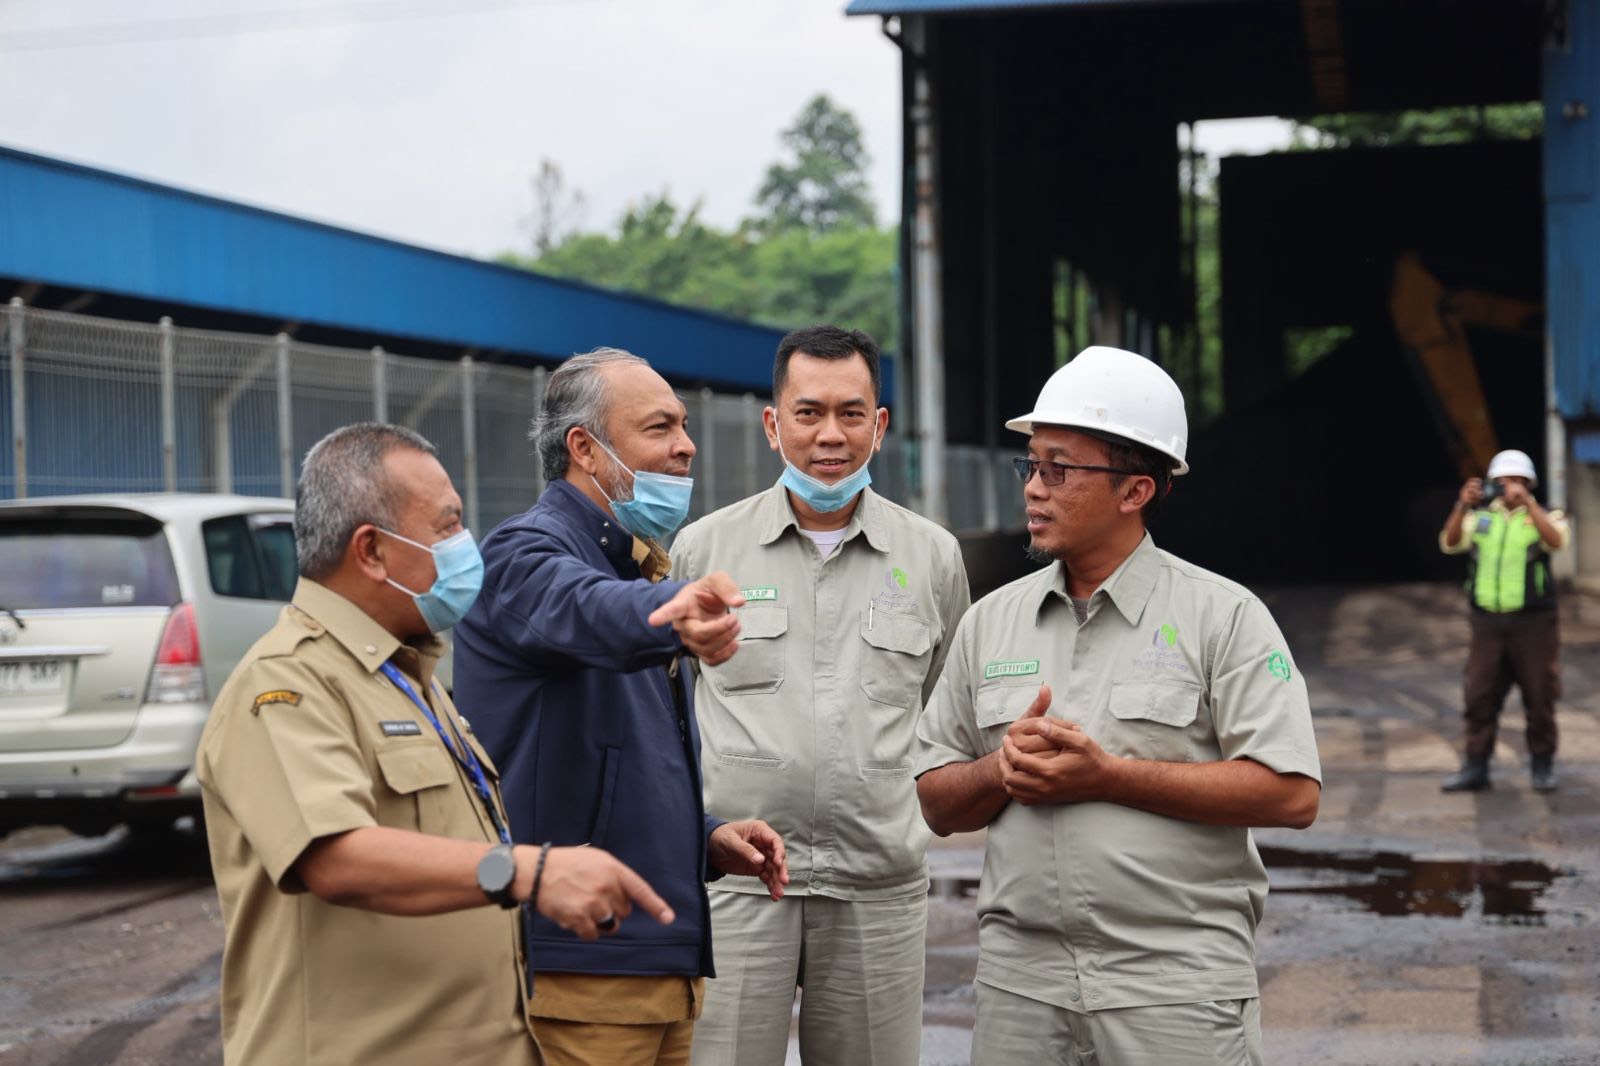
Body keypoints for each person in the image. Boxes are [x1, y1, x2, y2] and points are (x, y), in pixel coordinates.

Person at [196, 422, 674, 1066]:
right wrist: (528, 872)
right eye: (447, 527)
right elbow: (336, 858)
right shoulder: (289, 681)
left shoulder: (405, 675)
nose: (464, 546)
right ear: (371, 550)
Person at [913, 346, 1322, 1066]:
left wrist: (1109, 777)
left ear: (1136, 491)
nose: (1034, 489)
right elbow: (937, 802)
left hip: (1175, 986)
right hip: (1022, 990)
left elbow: (1291, 793)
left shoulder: (1222, 616)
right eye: (1030, 466)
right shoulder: (991, 622)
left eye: (1059, 469)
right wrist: (999, 771)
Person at [452, 348, 789, 1066]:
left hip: (657, 971)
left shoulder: (632, 565)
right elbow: (586, 607)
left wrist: (704, 839)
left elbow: (613, 764)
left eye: (685, 425)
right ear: (586, 448)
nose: (687, 444)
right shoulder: (526, 554)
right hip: (582, 974)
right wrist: (668, 607)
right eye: (660, 427)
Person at [672, 325, 971, 1066]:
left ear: (881, 424)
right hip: (737, 887)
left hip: (877, 886)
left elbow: (944, 711)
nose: (830, 435)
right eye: (808, 413)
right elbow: (666, 713)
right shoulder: (702, 551)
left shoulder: (932, 557)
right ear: (774, 425)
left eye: (851, 412)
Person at [1438, 448, 1568, 792]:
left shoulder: (1546, 516)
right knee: (1478, 694)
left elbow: (1556, 543)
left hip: (1534, 623)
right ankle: (1475, 767)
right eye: (1503, 480)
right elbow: (1450, 543)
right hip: (1487, 623)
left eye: (1517, 480)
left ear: (1529, 483)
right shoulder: (1481, 517)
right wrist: (1462, 504)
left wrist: (1529, 505)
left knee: (1540, 695)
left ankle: (1543, 766)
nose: (1510, 486)